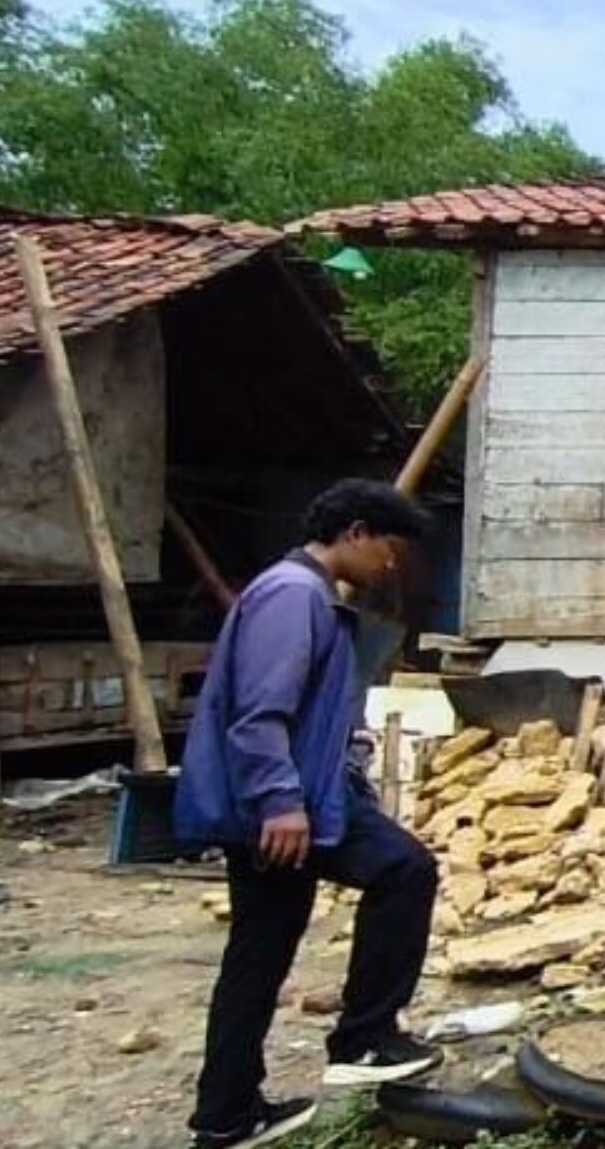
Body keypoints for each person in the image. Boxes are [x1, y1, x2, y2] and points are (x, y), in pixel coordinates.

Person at [174, 480, 443, 1149]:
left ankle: (225, 1117)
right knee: (405, 870)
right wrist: (281, 801)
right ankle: (365, 1039)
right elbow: (259, 714)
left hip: (285, 802)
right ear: (354, 533)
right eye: (386, 547)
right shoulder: (294, 596)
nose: (390, 564)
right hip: (286, 806)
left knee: (259, 955)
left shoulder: (302, 593)